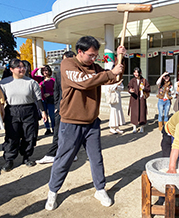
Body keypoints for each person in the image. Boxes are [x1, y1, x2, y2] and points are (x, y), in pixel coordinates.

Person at [45, 36, 126, 211]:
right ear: (79, 52)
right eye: (90, 55)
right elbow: (84, 82)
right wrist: (107, 73)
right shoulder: (68, 64)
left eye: (96, 55)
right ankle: (53, 191)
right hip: (70, 122)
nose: (93, 59)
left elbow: (113, 78)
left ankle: (100, 188)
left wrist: (120, 60)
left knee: (96, 158)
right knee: (63, 159)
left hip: (91, 122)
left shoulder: (95, 68)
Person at [0, 58, 48, 172]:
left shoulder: (31, 82)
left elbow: (38, 98)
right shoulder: (4, 83)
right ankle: (9, 159)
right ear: (12, 69)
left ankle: (26, 157)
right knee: (12, 136)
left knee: (29, 135)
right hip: (12, 111)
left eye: (23, 67)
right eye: (19, 67)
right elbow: (1, 100)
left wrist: (43, 111)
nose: (22, 69)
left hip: (29, 110)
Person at [36, 51, 77, 164]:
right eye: (64, 60)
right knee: (58, 130)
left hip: (75, 107)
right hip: (61, 107)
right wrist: (56, 106)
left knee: (72, 132)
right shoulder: (59, 74)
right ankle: (51, 154)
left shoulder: (79, 73)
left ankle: (71, 154)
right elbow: (57, 90)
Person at [31, 65, 55, 135]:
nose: (45, 72)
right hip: (42, 100)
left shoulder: (53, 80)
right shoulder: (40, 79)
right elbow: (32, 75)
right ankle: (47, 128)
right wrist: (38, 68)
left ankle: (53, 127)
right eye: (43, 70)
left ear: (49, 71)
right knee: (44, 115)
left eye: (46, 70)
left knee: (52, 114)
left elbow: (55, 90)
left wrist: (50, 94)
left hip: (50, 99)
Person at [128, 67, 150, 133]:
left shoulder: (144, 80)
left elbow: (148, 89)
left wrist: (144, 88)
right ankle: (134, 127)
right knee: (134, 113)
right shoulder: (132, 80)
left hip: (141, 98)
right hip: (134, 98)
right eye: (134, 72)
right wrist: (130, 91)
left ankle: (142, 126)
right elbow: (129, 87)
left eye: (137, 72)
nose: (136, 74)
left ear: (140, 72)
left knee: (142, 113)